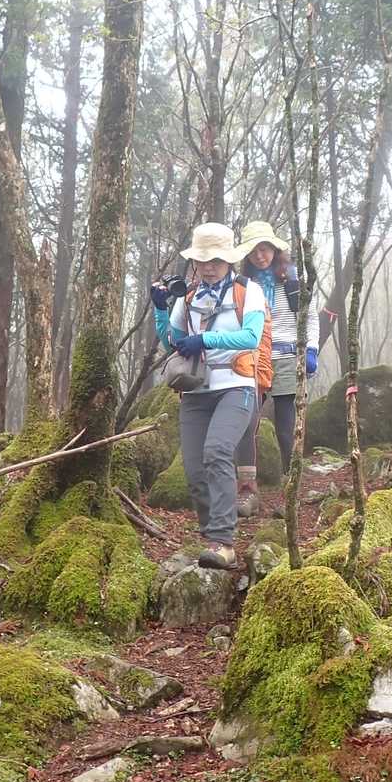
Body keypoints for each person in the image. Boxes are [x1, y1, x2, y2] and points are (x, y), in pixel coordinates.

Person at [151, 223, 266, 568]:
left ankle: (223, 542)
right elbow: (172, 342)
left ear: (228, 260)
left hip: (237, 385)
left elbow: (251, 337)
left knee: (217, 451)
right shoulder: (188, 297)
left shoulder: (248, 291)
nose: (208, 266)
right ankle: (211, 535)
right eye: (202, 260)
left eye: (215, 260)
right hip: (196, 389)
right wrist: (160, 309)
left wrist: (205, 339)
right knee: (194, 470)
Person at [235, 220, 318, 511]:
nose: (260, 256)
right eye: (254, 251)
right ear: (247, 255)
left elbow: (310, 316)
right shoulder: (242, 286)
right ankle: (247, 490)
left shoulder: (292, 281)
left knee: (286, 428)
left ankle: (291, 490)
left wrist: (311, 350)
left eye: (265, 249)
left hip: (286, 358)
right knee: (246, 424)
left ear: (274, 249)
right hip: (252, 359)